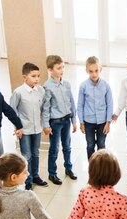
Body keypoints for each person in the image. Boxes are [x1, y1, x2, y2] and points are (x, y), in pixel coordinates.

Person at [10, 62, 49, 190]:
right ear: (24, 77)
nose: (37, 79)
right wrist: (17, 127)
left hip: (37, 128)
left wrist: (44, 124)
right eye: (33, 76)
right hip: (24, 130)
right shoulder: (18, 92)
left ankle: (36, 175)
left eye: (38, 76)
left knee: (36, 153)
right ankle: (28, 180)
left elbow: (43, 108)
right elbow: (12, 110)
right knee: (27, 155)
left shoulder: (41, 91)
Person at [43, 55, 78, 185]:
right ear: (50, 70)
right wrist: (46, 125)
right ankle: (52, 173)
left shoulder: (67, 84)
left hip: (66, 121)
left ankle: (68, 168)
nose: (62, 70)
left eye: (63, 67)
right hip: (55, 123)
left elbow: (72, 103)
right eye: (58, 68)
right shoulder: (47, 87)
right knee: (54, 148)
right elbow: (45, 108)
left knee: (67, 147)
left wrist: (74, 120)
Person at [78, 56, 113, 159]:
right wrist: (81, 122)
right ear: (86, 71)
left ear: (100, 69)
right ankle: (92, 166)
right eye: (91, 71)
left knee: (101, 145)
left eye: (96, 71)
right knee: (90, 145)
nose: (94, 74)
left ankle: (101, 166)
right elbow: (80, 105)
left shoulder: (106, 86)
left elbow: (110, 104)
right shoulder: (83, 86)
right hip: (88, 122)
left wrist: (108, 122)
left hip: (102, 122)